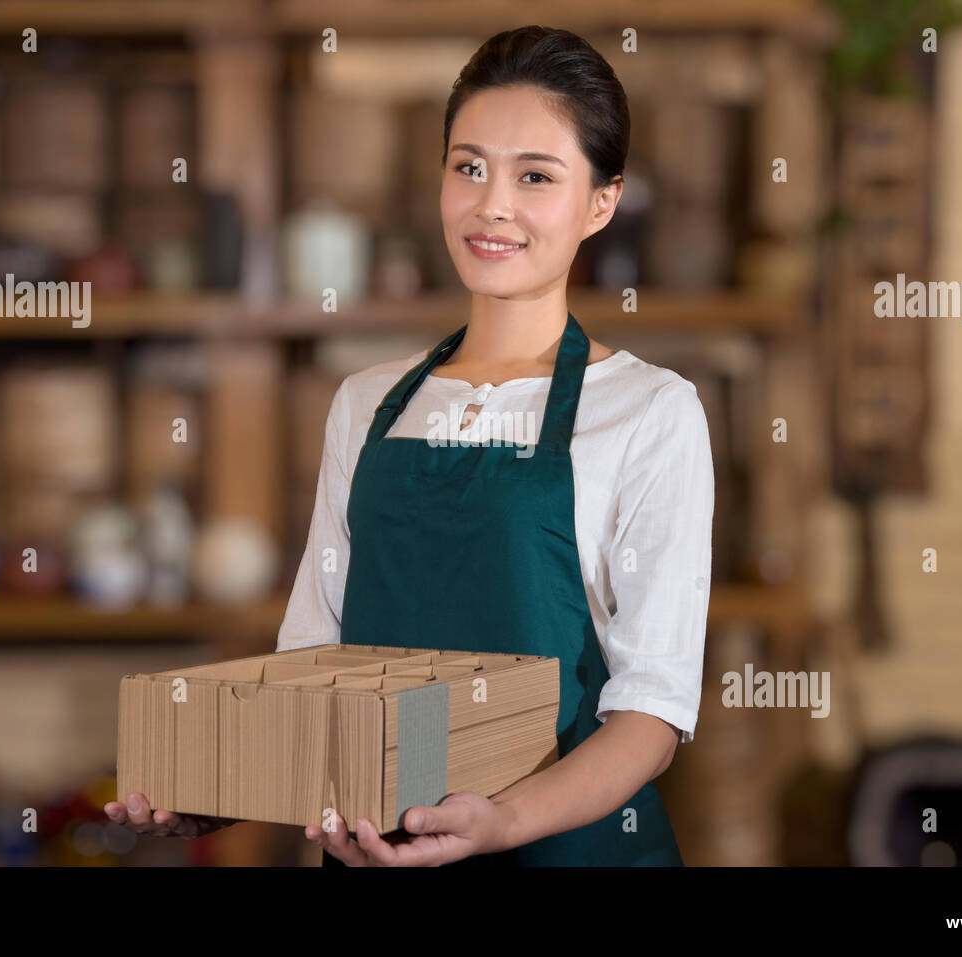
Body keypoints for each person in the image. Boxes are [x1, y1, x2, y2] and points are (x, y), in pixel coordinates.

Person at [106, 25, 713, 866]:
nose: (491, 204)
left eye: (535, 176)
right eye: (468, 167)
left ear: (601, 202)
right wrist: (213, 798)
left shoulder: (650, 412)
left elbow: (649, 715)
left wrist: (498, 823)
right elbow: (316, 664)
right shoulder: (367, 405)